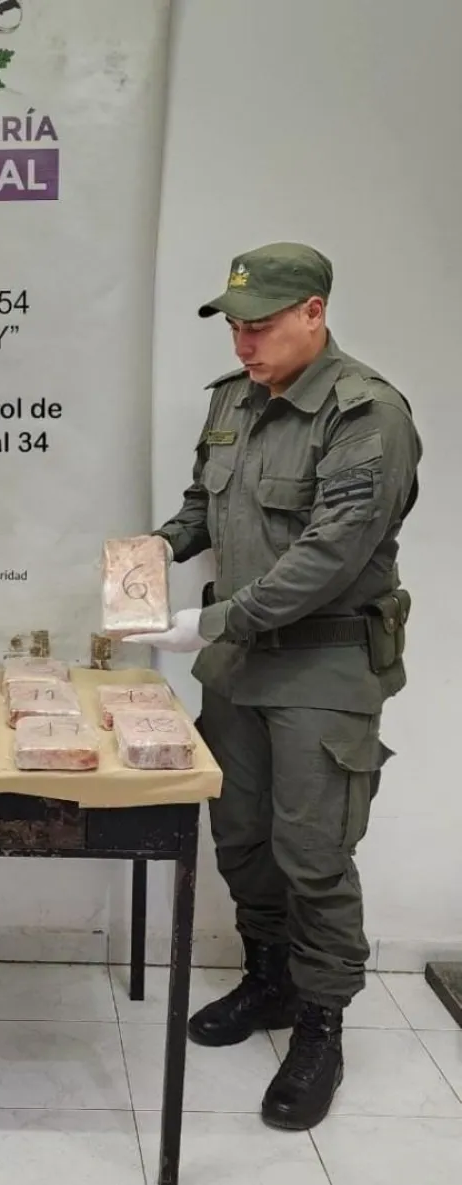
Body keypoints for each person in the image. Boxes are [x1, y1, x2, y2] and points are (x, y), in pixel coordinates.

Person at [125, 242, 422, 1131]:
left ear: (313, 312)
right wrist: (154, 549)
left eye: (258, 325)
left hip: (321, 669)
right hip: (240, 670)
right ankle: (269, 980)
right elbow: (202, 506)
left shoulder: (366, 415)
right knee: (241, 838)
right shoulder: (234, 401)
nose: (243, 344)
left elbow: (330, 556)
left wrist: (207, 622)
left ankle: (321, 1026)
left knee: (314, 855)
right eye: (234, 327)